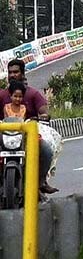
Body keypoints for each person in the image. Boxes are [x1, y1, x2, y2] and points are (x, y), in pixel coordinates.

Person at [1, 59, 59, 194]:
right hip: (4, 136)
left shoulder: (33, 94)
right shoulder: (2, 95)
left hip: (28, 137)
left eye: (15, 72)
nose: (12, 75)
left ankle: (41, 182)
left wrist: (43, 116)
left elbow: (44, 111)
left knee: (46, 150)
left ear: (22, 73)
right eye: (10, 72)